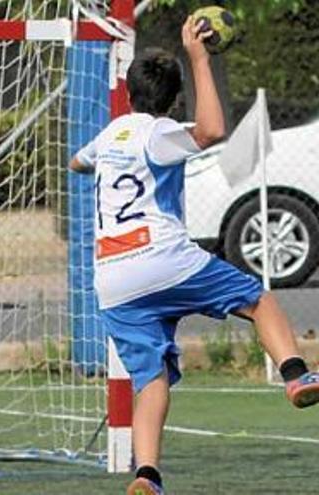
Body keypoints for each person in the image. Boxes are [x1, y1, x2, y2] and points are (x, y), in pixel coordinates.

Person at [69, 17, 319, 495]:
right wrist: (200, 57)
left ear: (128, 92)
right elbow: (212, 130)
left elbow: (76, 163)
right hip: (162, 258)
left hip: (113, 279)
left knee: (150, 380)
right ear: (174, 99)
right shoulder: (160, 133)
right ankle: (294, 375)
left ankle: (147, 475)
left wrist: (101, 161)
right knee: (258, 300)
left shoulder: (109, 136)